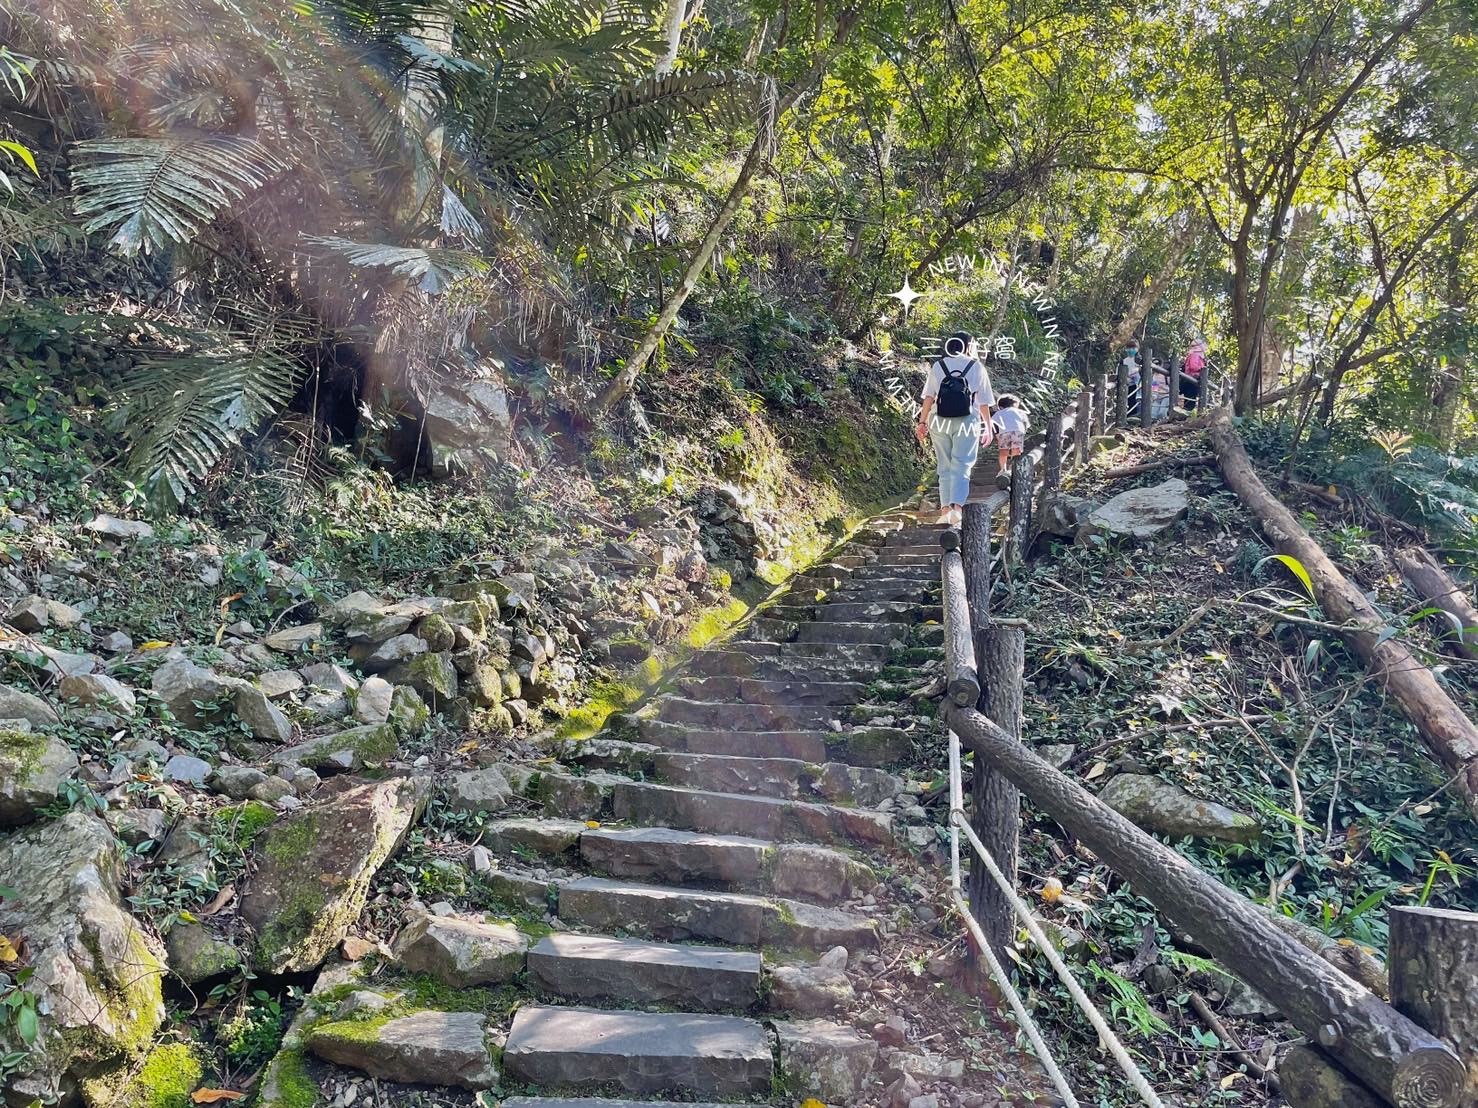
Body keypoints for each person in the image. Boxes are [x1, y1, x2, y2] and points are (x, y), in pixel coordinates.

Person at [915, 331, 995, 527]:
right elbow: (983, 402)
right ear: (969, 346)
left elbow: (929, 397)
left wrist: (922, 422)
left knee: (944, 466)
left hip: (938, 419)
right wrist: (988, 427)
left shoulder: (938, 366)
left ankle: (945, 511)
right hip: (967, 420)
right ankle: (956, 509)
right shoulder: (976, 367)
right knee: (962, 464)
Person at [992, 395, 1030, 477]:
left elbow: (994, 425)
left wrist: (997, 436)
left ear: (1000, 407)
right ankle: (1014, 468)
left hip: (1003, 432)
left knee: (1003, 452)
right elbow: (1025, 423)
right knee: (1016, 450)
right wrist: (1023, 432)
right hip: (1018, 430)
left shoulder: (998, 413)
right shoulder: (1019, 412)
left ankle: (1003, 469)